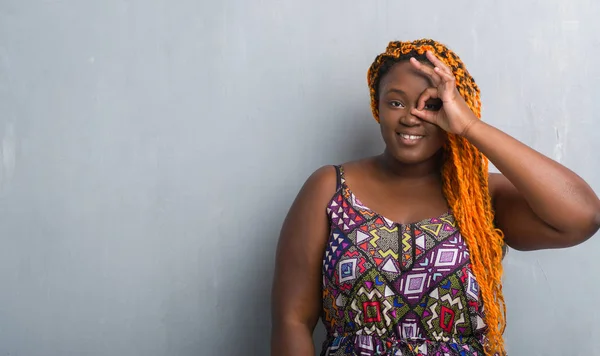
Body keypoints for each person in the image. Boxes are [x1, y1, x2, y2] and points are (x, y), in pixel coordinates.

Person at [270, 39, 600, 356]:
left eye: (431, 105)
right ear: (378, 107)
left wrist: (469, 126)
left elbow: (583, 216)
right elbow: (292, 321)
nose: (411, 116)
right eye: (395, 102)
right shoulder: (331, 187)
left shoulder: (482, 198)